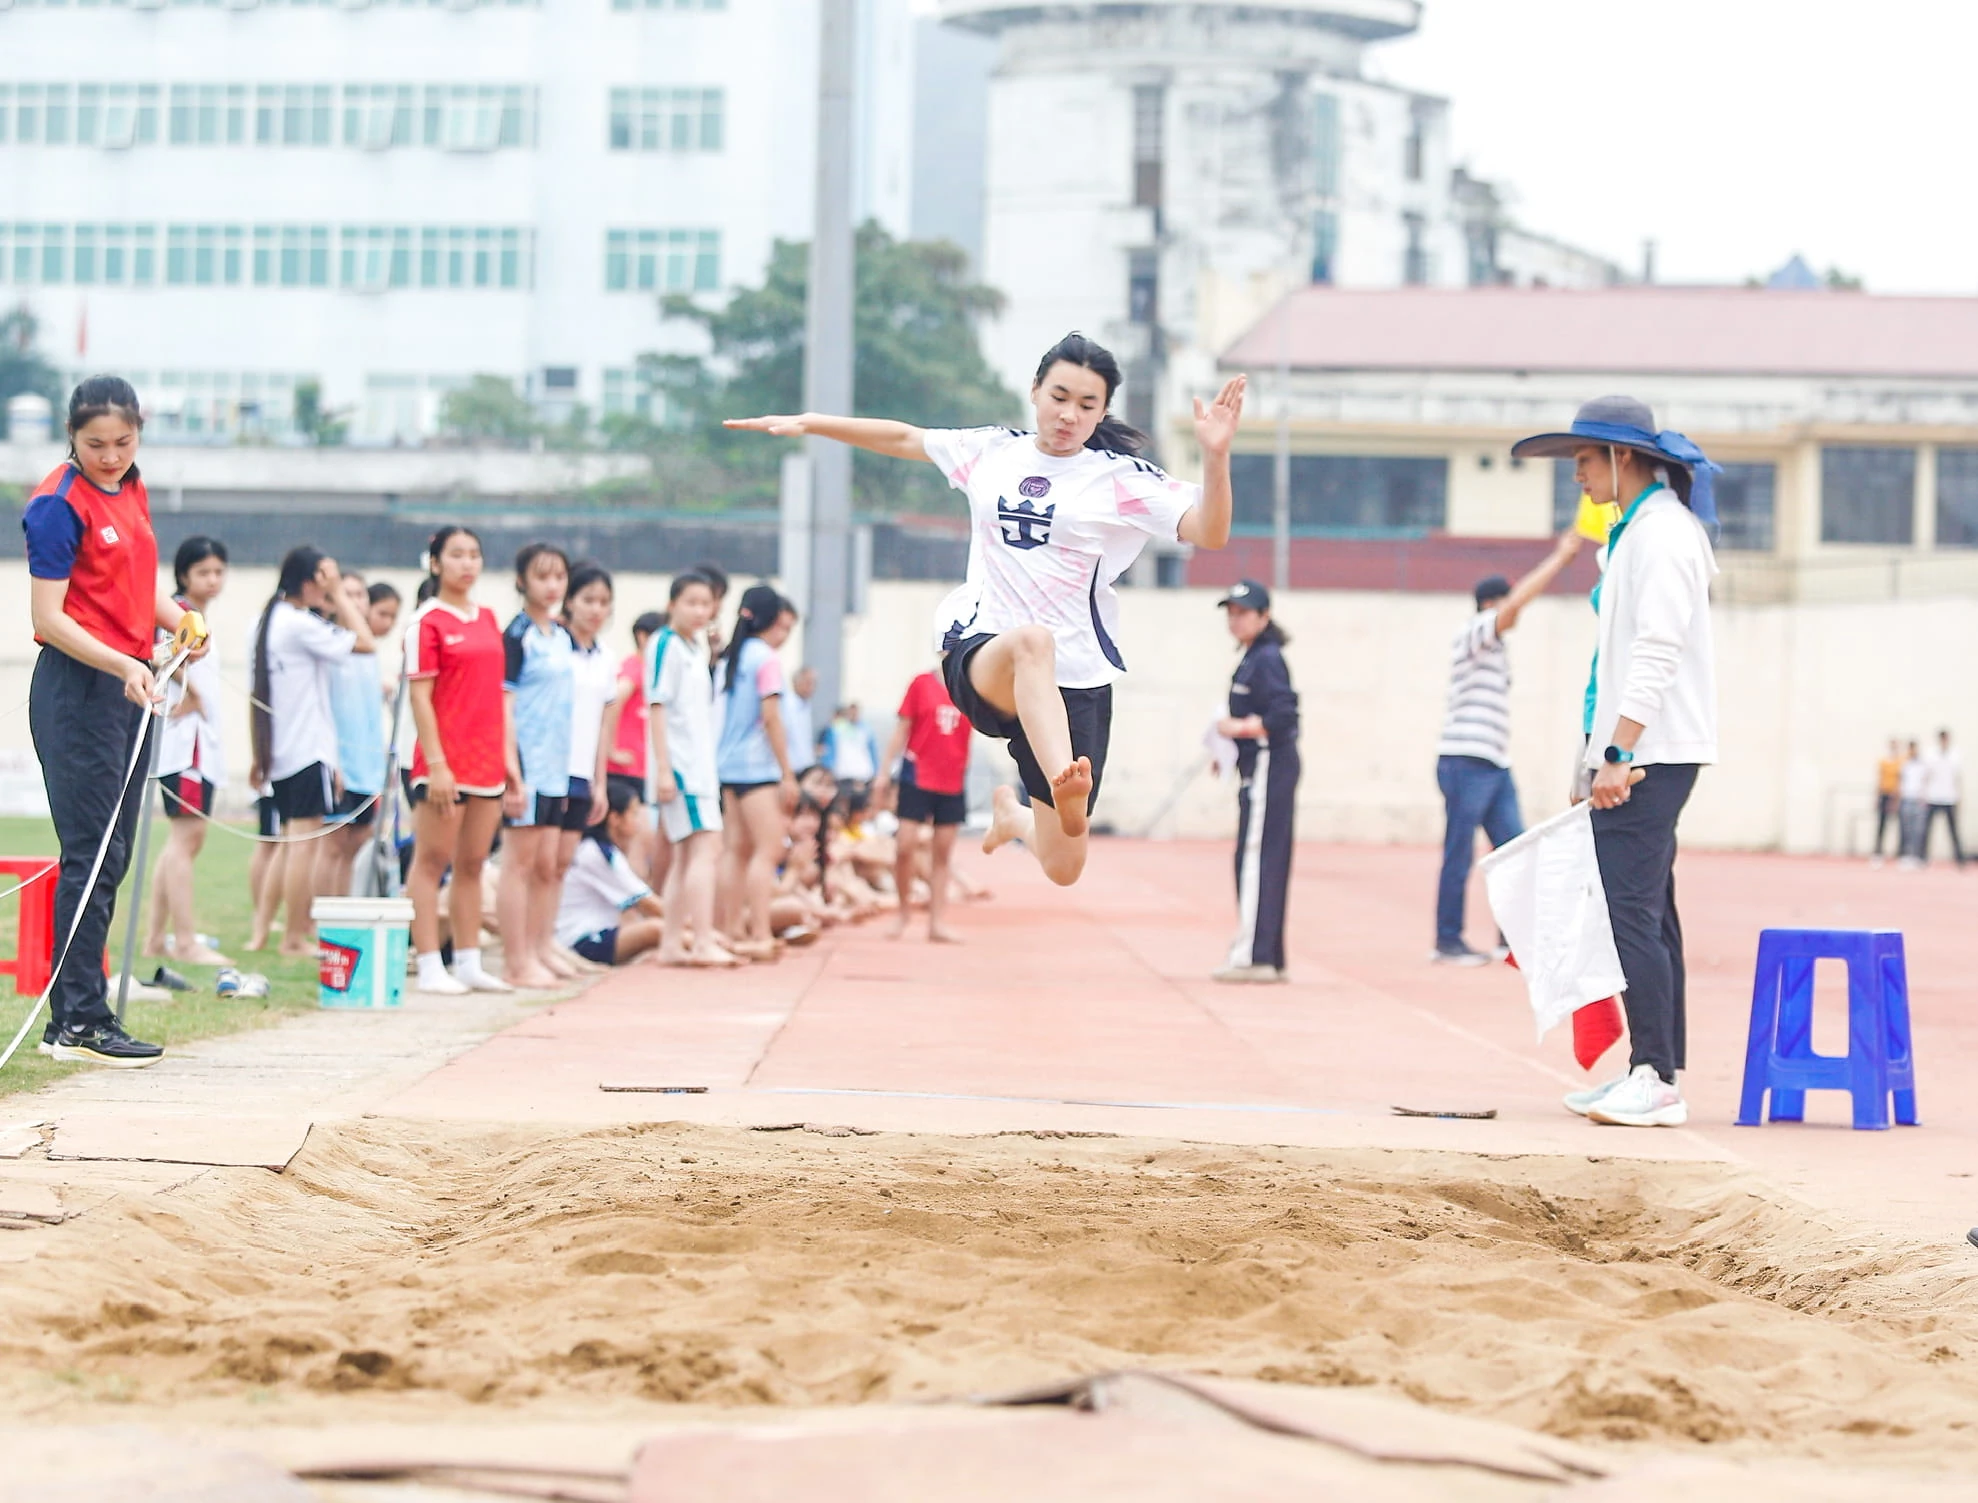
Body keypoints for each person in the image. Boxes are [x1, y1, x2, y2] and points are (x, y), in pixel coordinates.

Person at [727, 332, 1246, 888]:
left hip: (1075, 679)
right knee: (1032, 641)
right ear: (1035, 391)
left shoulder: (1119, 480)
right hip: (985, 650)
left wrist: (1216, 457)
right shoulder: (992, 450)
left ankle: (1016, 817)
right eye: (1059, 396)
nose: (1069, 414)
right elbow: (904, 437)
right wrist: (812, 422)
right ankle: (1059, 779)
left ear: (1102, 413)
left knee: (1065, 865)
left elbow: (1210, 532)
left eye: (1086, 405)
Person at [1512, 396, 1720, 1130]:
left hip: (1651, 751)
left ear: (1621, 457)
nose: (1576, 477)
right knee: (1649, 911)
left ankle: (1657, 1076)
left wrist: (1619, 751)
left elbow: (1657, 650)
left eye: (1582, 460)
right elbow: (1618, 657)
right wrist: (1596, 751)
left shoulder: (1662, 535)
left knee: (1629, 912)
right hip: (1644, 748)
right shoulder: (1638, 532)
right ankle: (1650, 1066)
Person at [22, 376, 206, 1066]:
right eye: (95, 444)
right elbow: (49, 618)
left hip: (129, 684)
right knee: (91, 852)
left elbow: (135, 581)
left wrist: (179, 619)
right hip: (80, 688)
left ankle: (78, 1013)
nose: (110, 456)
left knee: (114, 853)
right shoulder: (55, 504)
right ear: (71, 435)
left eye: (123, 443)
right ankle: (76, 1019)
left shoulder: (131, 487)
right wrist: (122, 662)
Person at [1431, 531, 1584, 965]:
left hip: (1494, 764)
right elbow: (1516, 606)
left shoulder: (1495, 649)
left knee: (1516, 852)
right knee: (1459, 853)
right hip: (1465, 760)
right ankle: (1447, 940)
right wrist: (1560, 558)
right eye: (1503, 604)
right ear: (1489, 604)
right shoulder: (1475, 633)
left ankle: (1510, 941)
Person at [249, 545, 377, 958]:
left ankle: (263, 931)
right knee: (304, 846)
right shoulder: (299, 624)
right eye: (326, 578)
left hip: (283, 750)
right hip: (306, 749)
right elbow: (366, 642)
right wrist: (339, 595)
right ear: (310, 582)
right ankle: (293, 937)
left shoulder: (267, 621)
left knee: (289, 843)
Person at [405, 525, 517, 996]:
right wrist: (437, 764)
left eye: (474, 554)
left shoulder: (489, 618)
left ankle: (470, 961)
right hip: (442, 764)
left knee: (473, 863)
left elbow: (496, 695)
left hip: (486, 761)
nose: (467, 563)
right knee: (431, 862)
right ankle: (430, 962)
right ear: (435, 563)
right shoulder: (426, 621)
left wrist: (508, 760)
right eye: (456, 555)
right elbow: (420, 695)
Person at [648, 570, 741, 968]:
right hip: (683, 768)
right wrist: (665, 770)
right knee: (706, 848)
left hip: (699, 766)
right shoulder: (665, 644)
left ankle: (672, 942)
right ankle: (701, 939)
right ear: (673, 605)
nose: (701, 611)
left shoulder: (692, 648)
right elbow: (656, 706)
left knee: (688, 855)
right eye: (692, 602)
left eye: (707, 604)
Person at [146, 535, 232, 967]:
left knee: (181, 842)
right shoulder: (176, 613)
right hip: (187, 743)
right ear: (184, 575)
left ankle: (155, 938)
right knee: (187, 839)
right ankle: (184, 940)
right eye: (204, 572)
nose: (213, 580)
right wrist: (189, 691)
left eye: (218, 571)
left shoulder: (194, 615)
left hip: (200, 741)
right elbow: (159, 655)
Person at [1210, 580, 1301, 984]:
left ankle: (1254, 955)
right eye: (1231, 612)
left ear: (1265, 616)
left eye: (1244, 612)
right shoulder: (1252, 657)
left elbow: (1284, 717)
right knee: (1261, 857)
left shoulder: (1267, 659)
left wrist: (1237, 728)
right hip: (1259, 767)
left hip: (1270, 767)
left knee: (1255, 857)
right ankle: (1268, 954)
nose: (1235, 619)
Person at [498, 542, 577, 989]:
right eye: (542, 577)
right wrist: (512, 768)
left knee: (547, 863)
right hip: (525, 764)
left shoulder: (561, 636)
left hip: (556, 767)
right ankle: (515, 960)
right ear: (522, 581)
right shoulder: (517, 636)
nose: (552, 586)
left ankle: (538, 947)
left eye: (559, 577)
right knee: (519, 864)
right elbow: (505, 705)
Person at [714, 584, 801, 961]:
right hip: (756, 767)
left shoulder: (731, 656)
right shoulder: (765, 659)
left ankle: (732, 930)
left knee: (736, 851)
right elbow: (771, 718)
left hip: (727, 764)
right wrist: (788, 772)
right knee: (768, 850)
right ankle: (760, 932)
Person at [873, 666, 974, 943]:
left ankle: (936, 922)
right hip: (917, 775)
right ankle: (903, 912)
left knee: (942, 853)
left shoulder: (971, 686)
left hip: (952, 778)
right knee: (904, 846)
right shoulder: (921, 683)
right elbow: (902, 729)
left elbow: (973, 733)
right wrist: (883, 772)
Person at [554, 561, 619, 973]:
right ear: (570, 601)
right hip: (548, 770)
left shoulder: (605, 658)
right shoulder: (553, 648)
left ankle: (548, 943)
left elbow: (602, 725)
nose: (596, 609)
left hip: (582, 771)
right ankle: (526, 949)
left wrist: (600, 782)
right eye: (588, 600)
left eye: (604, 602)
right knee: (534, 865)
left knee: (560, 863)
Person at [324, 575, 400, 901]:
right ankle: (314, 923)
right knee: (332, 848)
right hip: (342, 762)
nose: (355, 601)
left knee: (358, 845)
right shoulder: (328, 643)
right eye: (347, 594)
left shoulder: (368, 651)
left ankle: (344, 914)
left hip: (367, 765)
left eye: (360, 595)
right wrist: (333, 760)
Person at [556, 781, 665, 966]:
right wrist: (703, 932)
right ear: (615, 818)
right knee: (656, 930)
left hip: (598, 933)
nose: (639, 822)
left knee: (657, 929)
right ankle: (711, 944)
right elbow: (649, 904)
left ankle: (708, 942)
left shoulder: (603, 850)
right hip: (581, 940)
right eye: (634, 813)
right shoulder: (596, 853)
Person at [1920, 729, 1965, 868]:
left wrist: (1959, 797)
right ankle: (1922, 858)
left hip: (1949, 797)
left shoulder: (1955, 755)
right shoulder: (1930, 755)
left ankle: (1959, 860)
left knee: (1953, 831)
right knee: (1927, 830)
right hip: (1933, 796)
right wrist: (1923, 795)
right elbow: (1925, 776)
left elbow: (1957, 778)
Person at [821, 701, 878, 791]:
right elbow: (829, 749)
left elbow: (873, 752)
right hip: (843, 774)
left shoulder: (866, 730)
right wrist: (828, 768)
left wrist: (876, 772)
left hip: (863, 774)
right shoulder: (837, 728)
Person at [784, 666, 820, 775]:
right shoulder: (785, 705)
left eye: (814, 683)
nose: (811, 687)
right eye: (808, 683)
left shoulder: (806, 706)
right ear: (796, 682)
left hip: (806, 767)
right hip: (790, 768)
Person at [1898, 739, 1928, 869]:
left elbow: (1926, 781)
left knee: (1918, 830)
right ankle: (1906, 856)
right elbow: (1900, 781)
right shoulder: (1904, 764)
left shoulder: (1922, 764)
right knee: (1906, 829)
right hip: (1906, 799)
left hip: (1918, 800)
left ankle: (1917, 856)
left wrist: (1924, 797)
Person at [1873, 738, 1903, 865]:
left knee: (1900, 826)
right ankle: (1878, 853)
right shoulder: (1883, 761)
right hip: (1884, 794)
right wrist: (1876, 796)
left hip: (1895, 795)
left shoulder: (1901, 762)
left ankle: (1900, 853)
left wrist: (1897, 797)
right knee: (1881, 826)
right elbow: (1880, 779)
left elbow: (1901, 779)